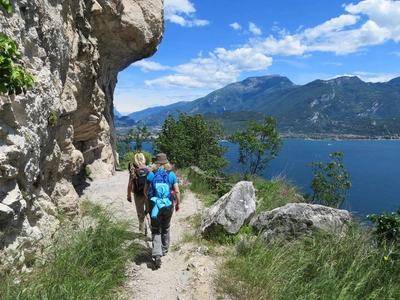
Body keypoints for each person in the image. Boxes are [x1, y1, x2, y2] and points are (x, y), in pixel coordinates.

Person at [143, 153, 180, 268]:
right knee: (166, 226)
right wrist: (178, 203)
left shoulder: (151, 174)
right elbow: (177, 191)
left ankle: (157, 254)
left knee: (156, 228)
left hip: (155, 206)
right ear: (166, 163)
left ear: (156, 163)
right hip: (168, 205)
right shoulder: (171, 174)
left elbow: (145, 191)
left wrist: (150, 201)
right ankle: (164, 249)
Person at [127, 152, 151, 234]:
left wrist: (129, 195)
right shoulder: (149, 169)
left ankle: (142, 231)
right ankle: (153, 232)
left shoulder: (133, 170)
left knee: (140, 213)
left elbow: (130, 184)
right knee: (149, 212)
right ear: (144, 159)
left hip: (137, 195)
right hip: (148, 194)